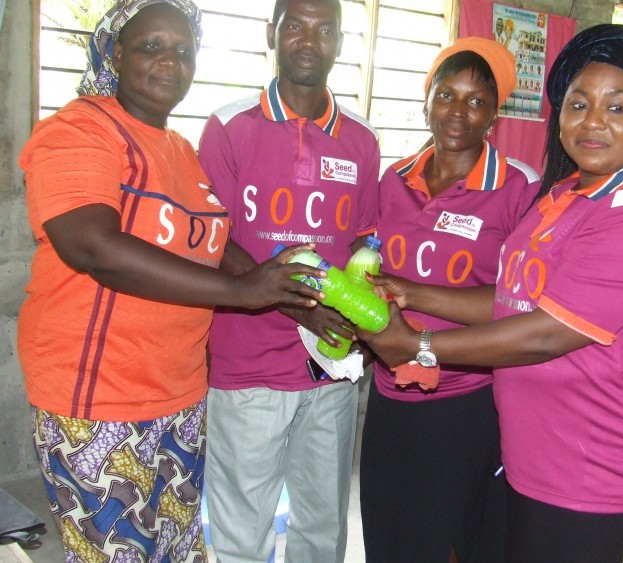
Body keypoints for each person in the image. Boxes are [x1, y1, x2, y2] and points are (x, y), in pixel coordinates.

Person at [357, 24, 623, 563]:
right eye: (578, 104)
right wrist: (413, 293)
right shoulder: (564, 196)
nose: (592, 122)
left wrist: (419, 348)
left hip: (594, 462)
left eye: (617, 108)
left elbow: (545, 334)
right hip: (533, 450)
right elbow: (512, 300)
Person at [16, 1, 326, 561]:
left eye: (183, 50)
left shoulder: (180, 149)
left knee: (178, 549)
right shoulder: (80, 129)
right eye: (151, 46)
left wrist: (291, 296)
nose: (170, 62)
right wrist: (243, 293)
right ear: (116, 53)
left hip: (179, 395)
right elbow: (92, 246)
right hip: (98, 399)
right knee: (119, 553)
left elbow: (214, 246)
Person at [196, 0, 380, 561]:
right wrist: (300, 307)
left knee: (322, 527)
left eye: (325, 29)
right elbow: (211, 240)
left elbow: (363, 244)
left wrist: (360, 320)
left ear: (340, 42)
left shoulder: (361, 141)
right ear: (270, 33)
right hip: (248, 367)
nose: (308, 40)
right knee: (241, 533)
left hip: (330, 368)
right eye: (295, 25)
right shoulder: (228, 127)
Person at [359, 37, 538, 563]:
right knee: (386, 533)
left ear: (494, 118)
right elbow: (370, 262)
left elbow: (518, 302)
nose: (458, 111)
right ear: (426, 103)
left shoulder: (518, 188)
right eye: (446, 95)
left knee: (450, 540)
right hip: (390, 391)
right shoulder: (394, 179)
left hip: (465, 399)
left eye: (476, 101)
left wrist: (415, 294)